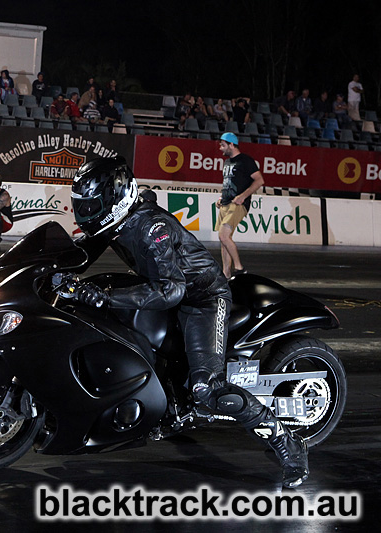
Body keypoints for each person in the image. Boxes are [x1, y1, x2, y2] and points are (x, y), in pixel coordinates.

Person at [68, 156, 308, 489]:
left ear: (114, 199)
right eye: (81, 206)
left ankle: (288, 445)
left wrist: (105, 296)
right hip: (163, 288)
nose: (85, 213)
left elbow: (172, 290)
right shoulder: (115, 222)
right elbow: (79, 252)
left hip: (201, 299)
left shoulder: (152, 228)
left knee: (207, 389)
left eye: (91, 205)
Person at [215, 132, 264, 278]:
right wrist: (221, 197)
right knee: (224, 240)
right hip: (225, 204)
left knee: (223, 236)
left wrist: (243, 196)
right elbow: (228, 183)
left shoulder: (245, 160)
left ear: (231, 144)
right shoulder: (227, 162)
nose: (220, 148)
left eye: (223, 145)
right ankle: (226, 273)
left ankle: (240, 268)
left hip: (237, 205)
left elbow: (259, 180)